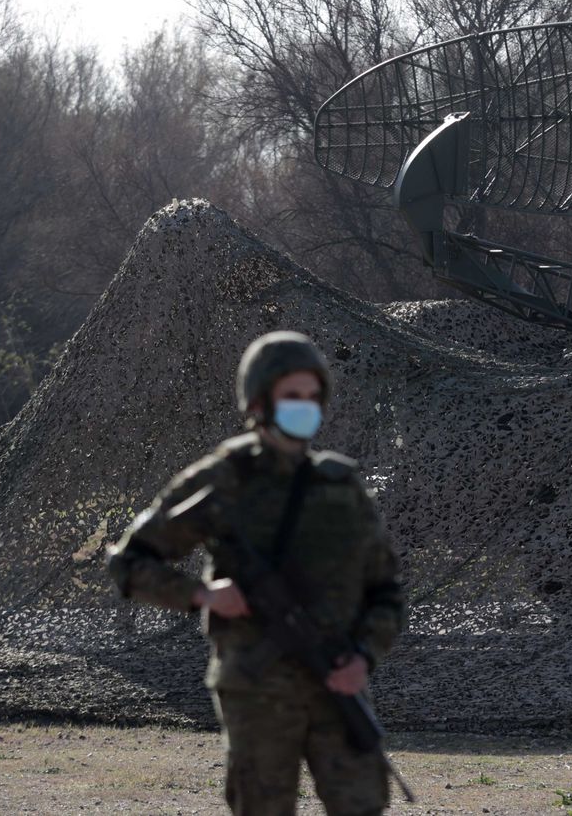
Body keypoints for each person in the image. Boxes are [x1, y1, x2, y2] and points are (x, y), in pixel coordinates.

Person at [107, 330, 406, 816]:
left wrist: (363, 658)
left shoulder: (342, 486)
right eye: (292, 397)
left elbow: (387, 592)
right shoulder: (224, 478)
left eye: (313, 397)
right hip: (257, 687)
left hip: (337, 679)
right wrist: (202, 594)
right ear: (259, 401)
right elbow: (129, 562)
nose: (305, 408)